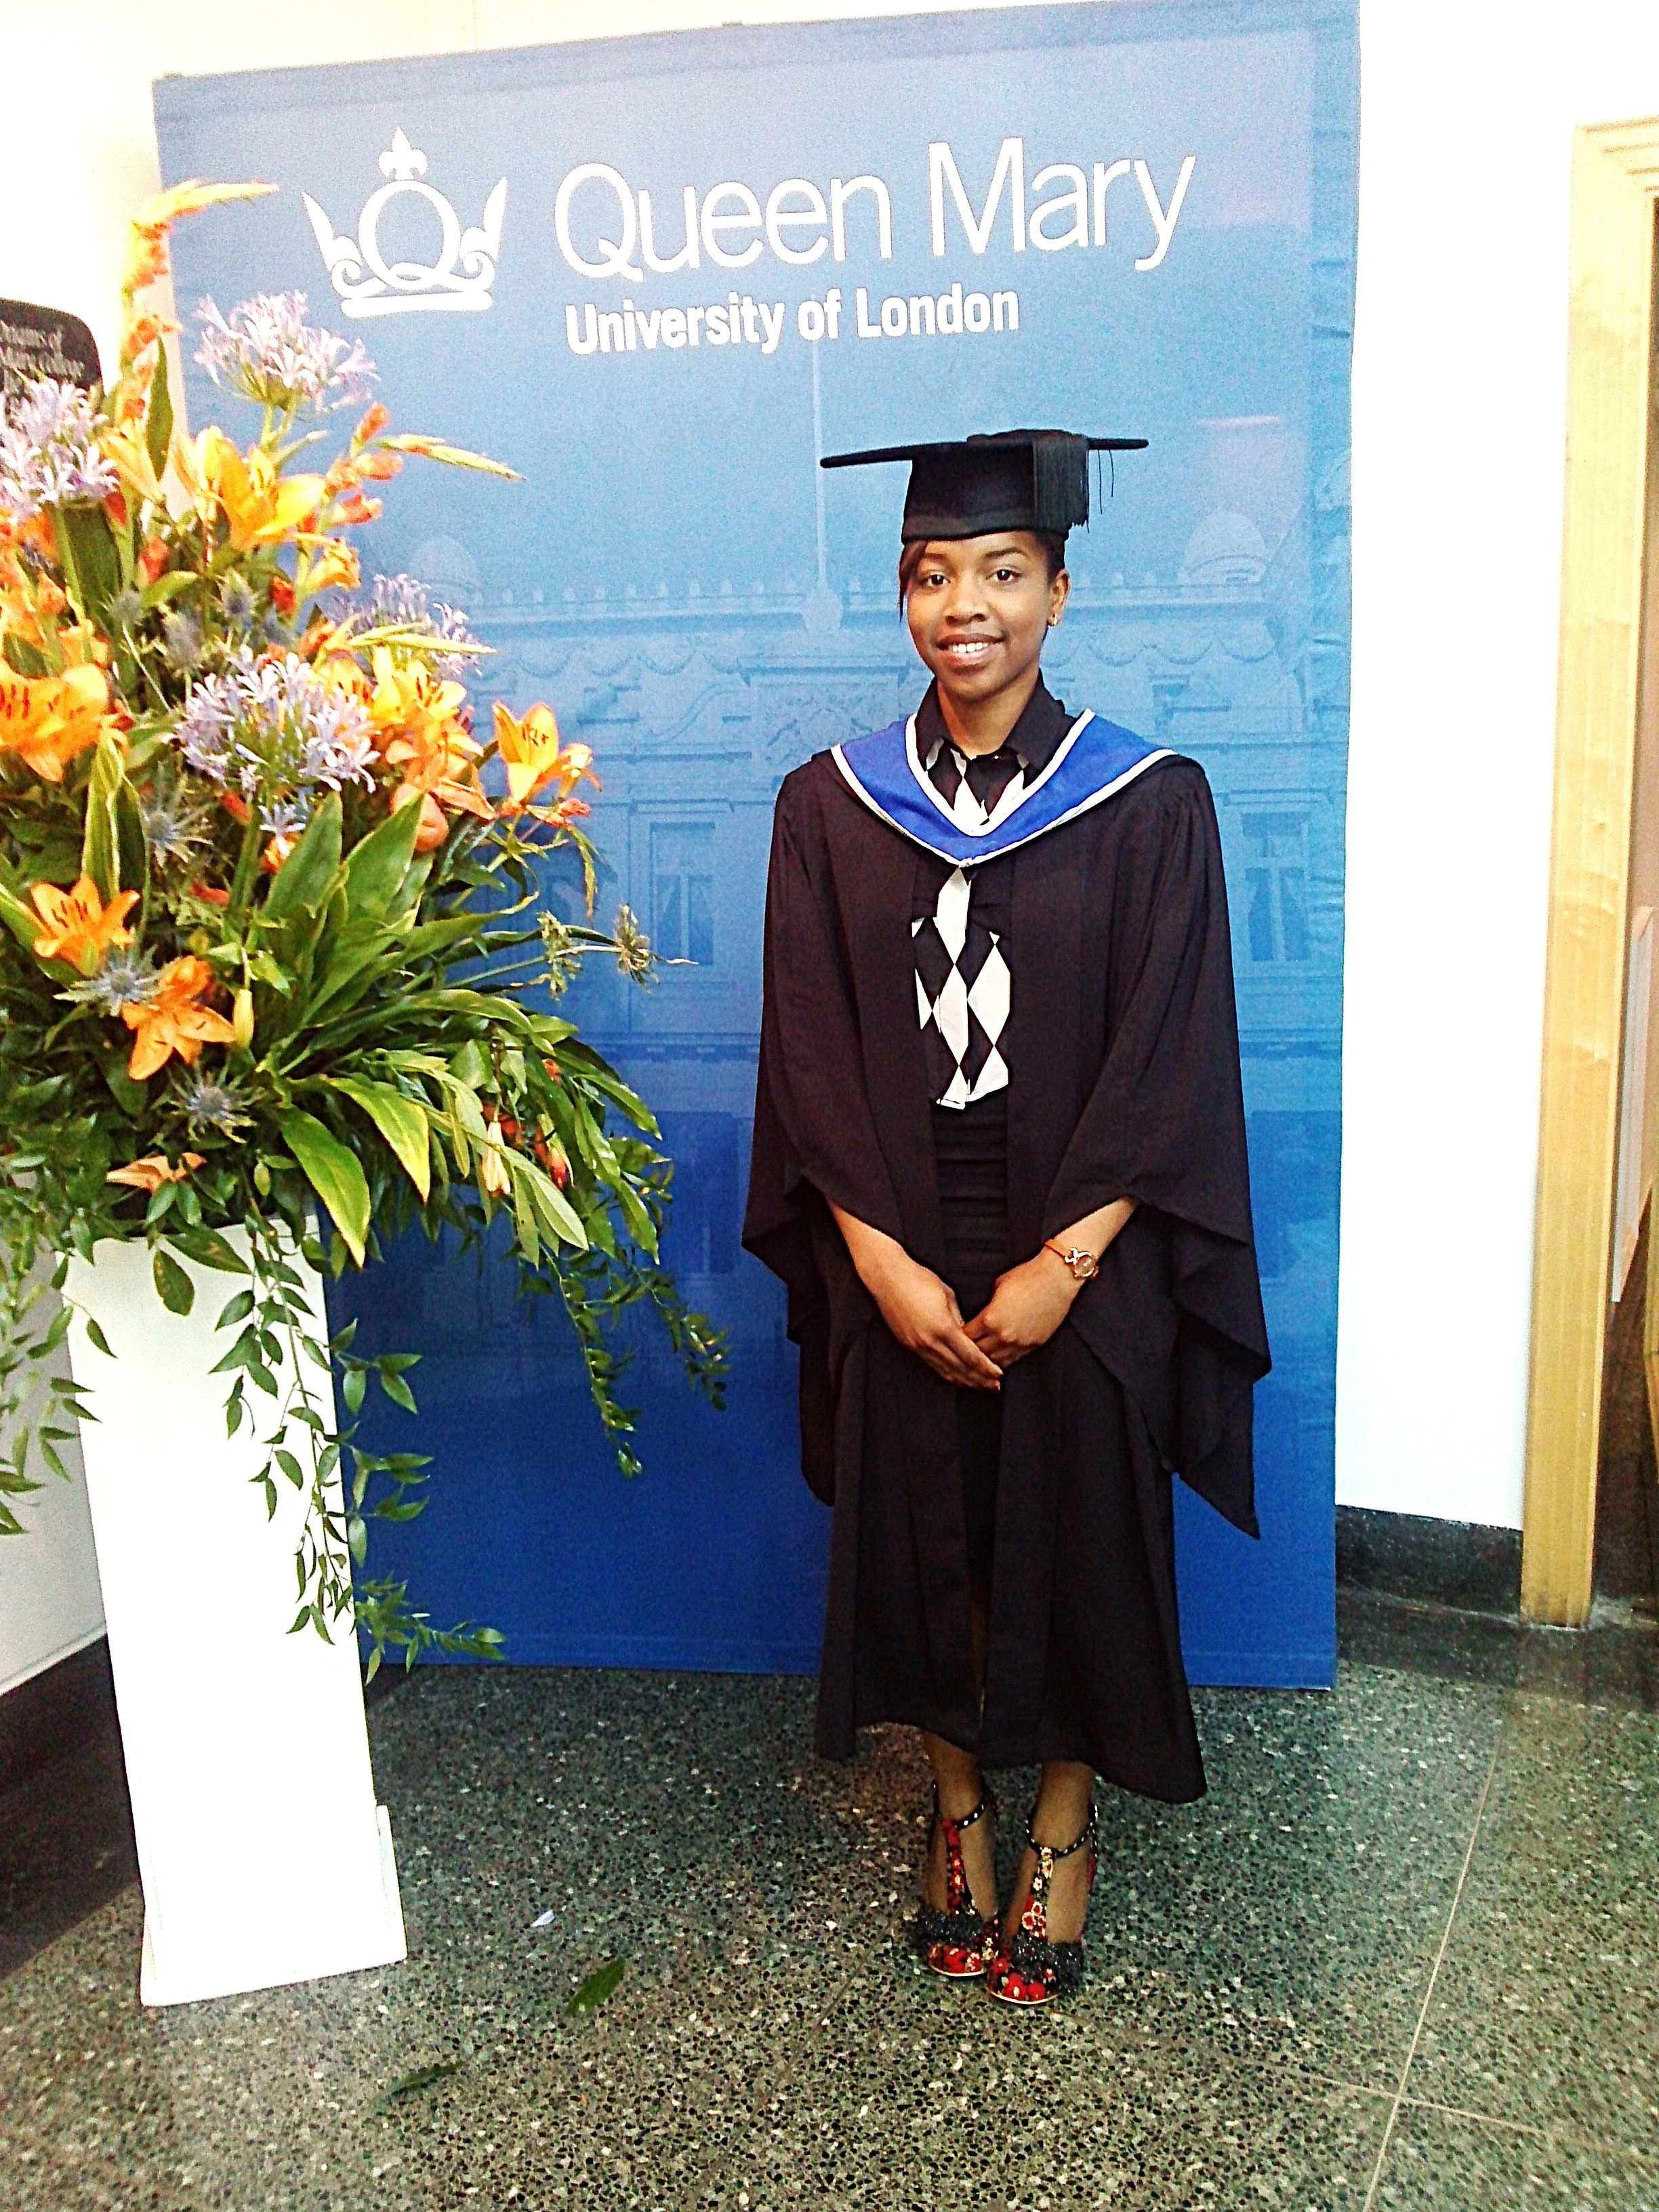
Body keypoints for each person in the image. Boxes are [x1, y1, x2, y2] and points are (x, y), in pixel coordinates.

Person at [742, 428, 1269, 2007]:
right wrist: (883, 1265)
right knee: (930, 1540)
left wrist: (1067, 1265)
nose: (961, 604)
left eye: (997, 571)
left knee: (1081, 1536)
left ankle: (1062, 1825)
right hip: (896, 1227)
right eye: (931, 573)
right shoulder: (828, 807)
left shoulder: (1151, 803)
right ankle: (958, 1808)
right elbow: (814, 1051)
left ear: (1058, 589)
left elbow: (1169, 1053)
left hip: (1077, 1234)